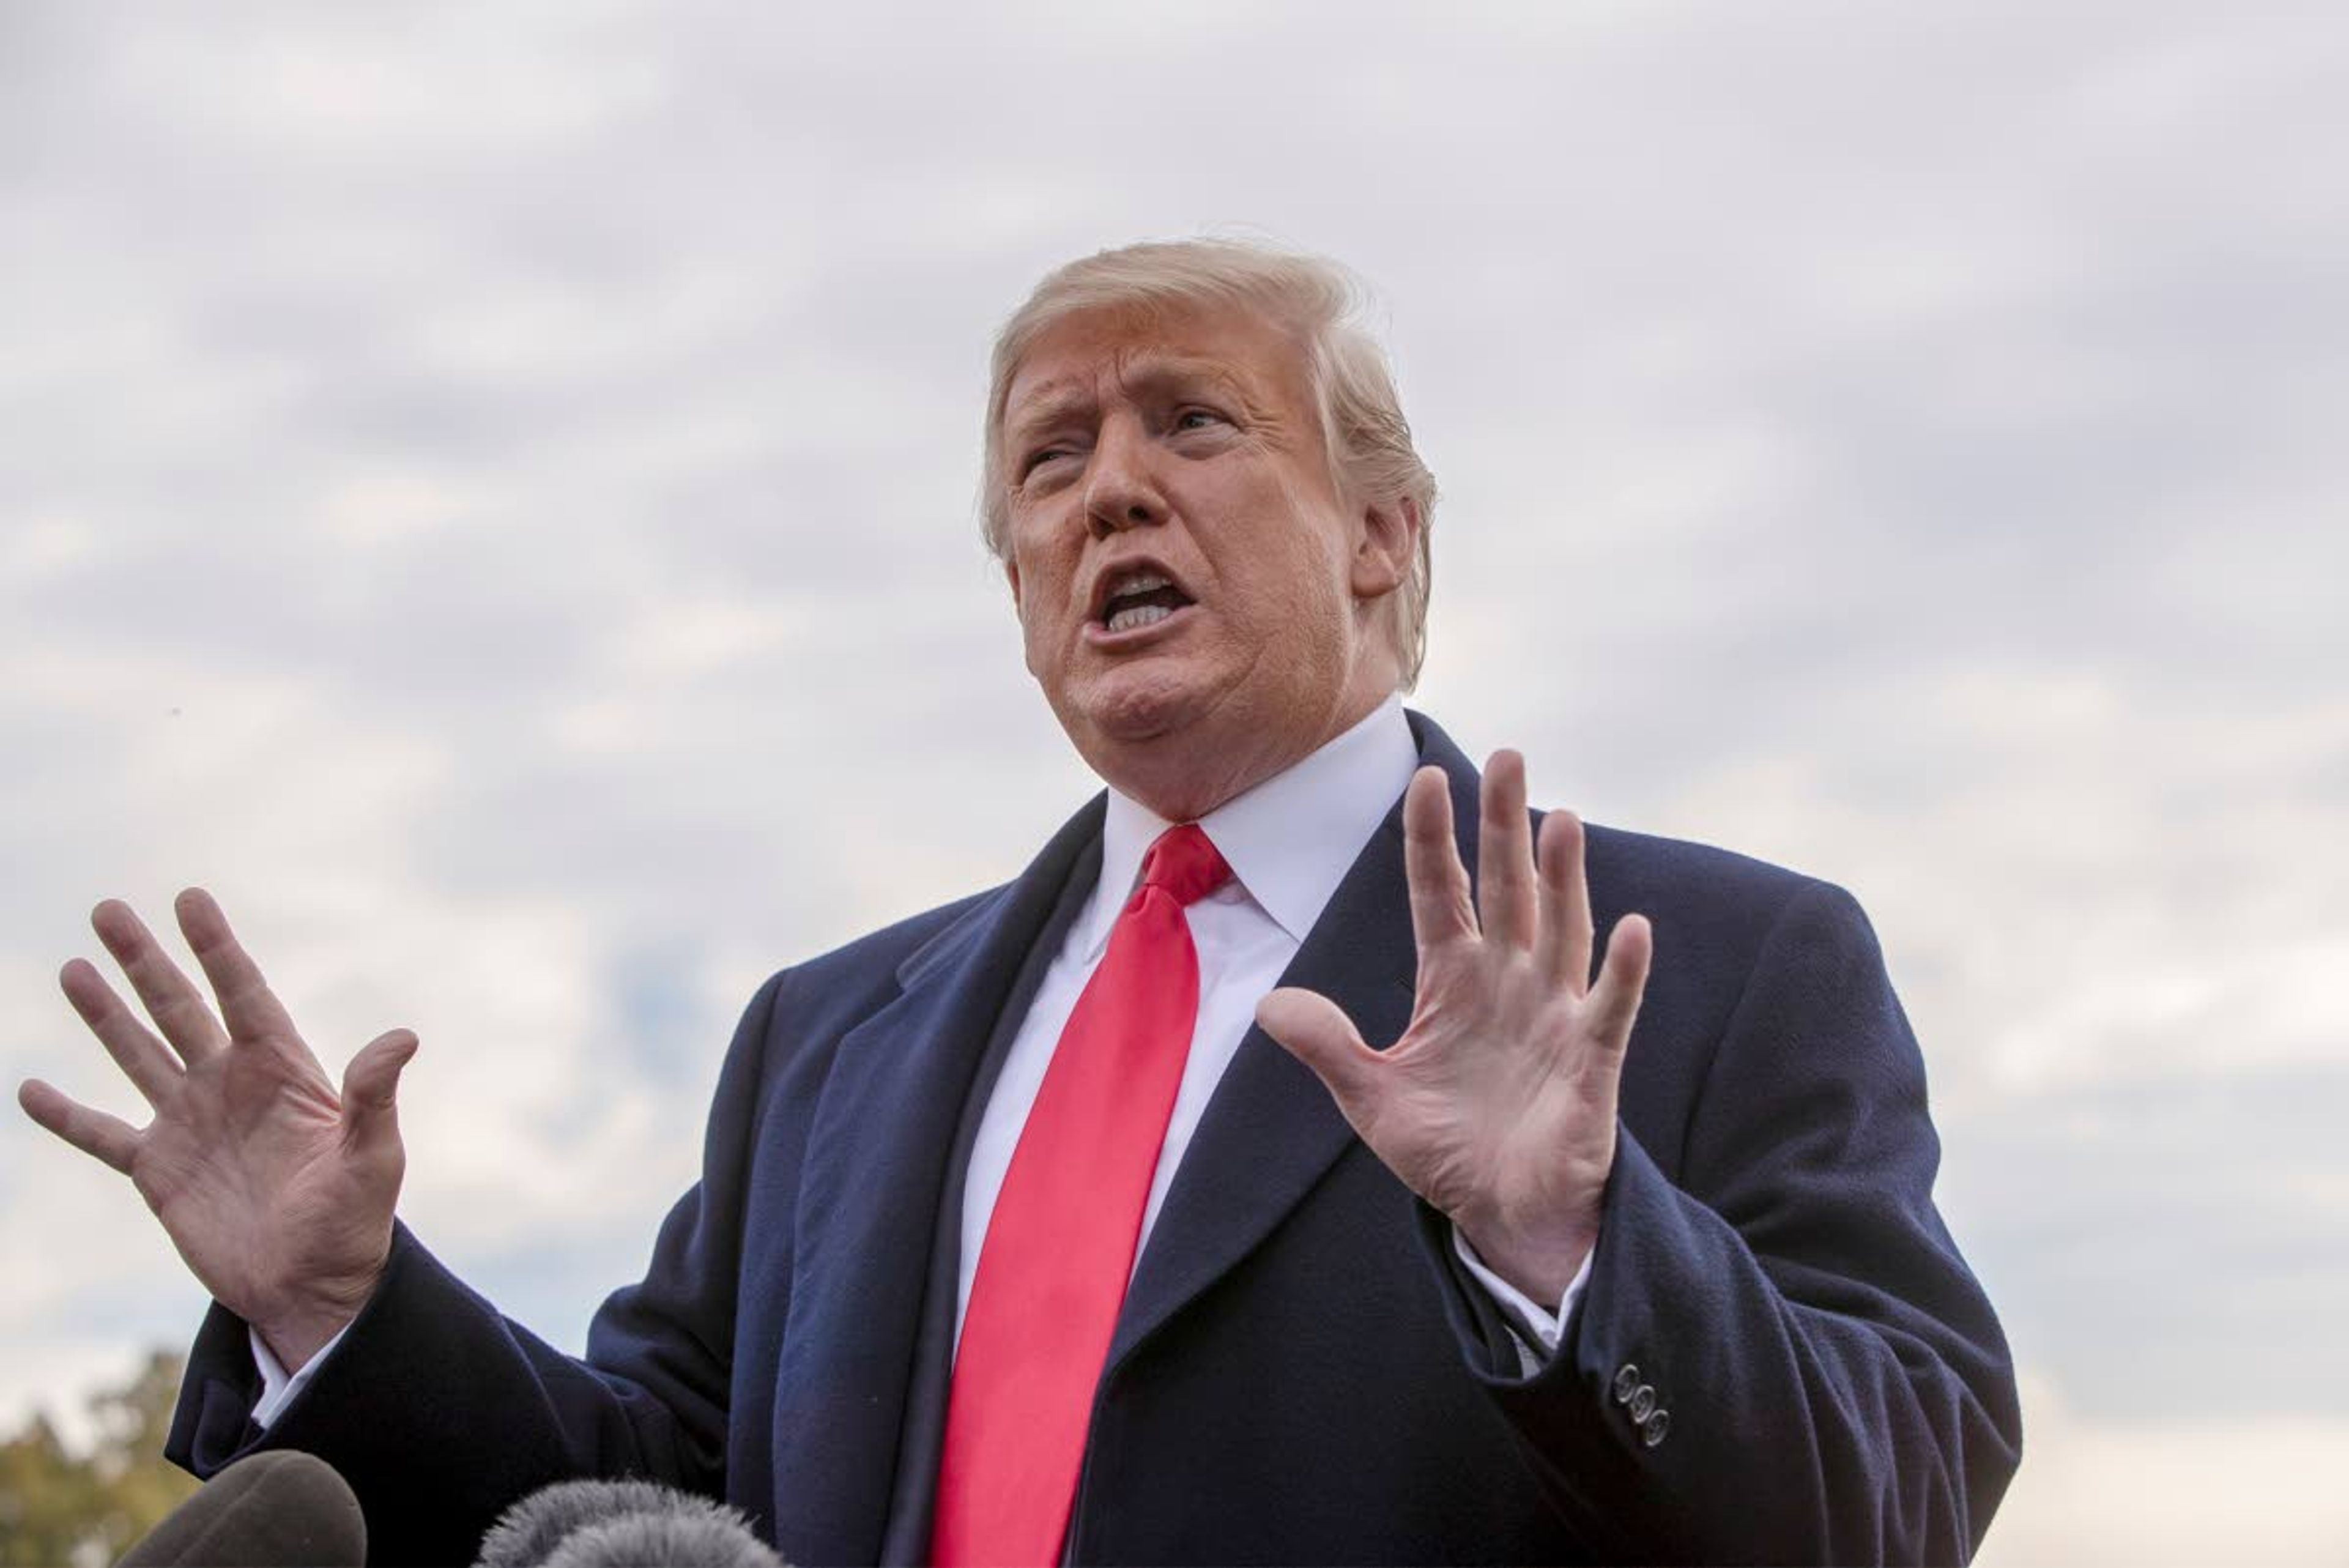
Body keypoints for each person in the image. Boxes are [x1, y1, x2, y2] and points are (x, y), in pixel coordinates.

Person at [18, 239, 2022, 1566]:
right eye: (1049, 460)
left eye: (1191, 421)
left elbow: (1902, 1488)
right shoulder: (831, 1038)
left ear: (1385, 537)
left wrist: (1576, 1245)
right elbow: (650, 1499)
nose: (1106, 493)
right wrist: (339, 1307)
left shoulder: (1711, 966)